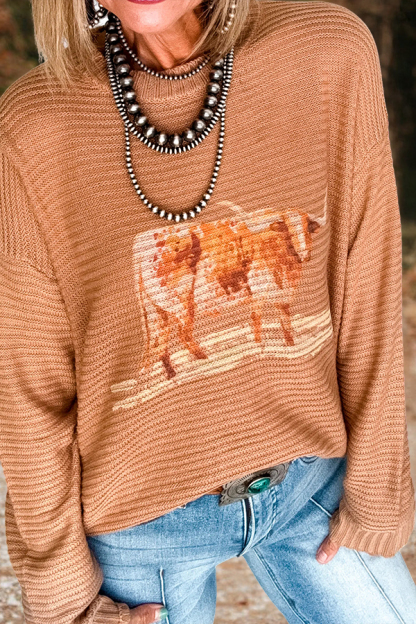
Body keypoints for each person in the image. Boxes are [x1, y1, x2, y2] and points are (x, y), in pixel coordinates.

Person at [0, 0, 416, 622]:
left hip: (309, 485)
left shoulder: (328, 54)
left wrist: (379, 486)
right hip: (140, 531)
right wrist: (63, 597)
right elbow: (30, 385)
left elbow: (368, 281)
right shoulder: (33, 127)